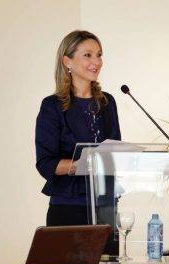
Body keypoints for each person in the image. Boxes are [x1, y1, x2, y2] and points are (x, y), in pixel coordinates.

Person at [35, 30, 121, 228]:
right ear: (67, 61)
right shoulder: (52, 106)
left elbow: (115, 151)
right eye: (88, 55)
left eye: (99, 54)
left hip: (106, 207)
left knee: (109, 260)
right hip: (69, 207)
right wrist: (84, 165)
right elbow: (46, 164)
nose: (97, 61)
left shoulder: (108, 102)